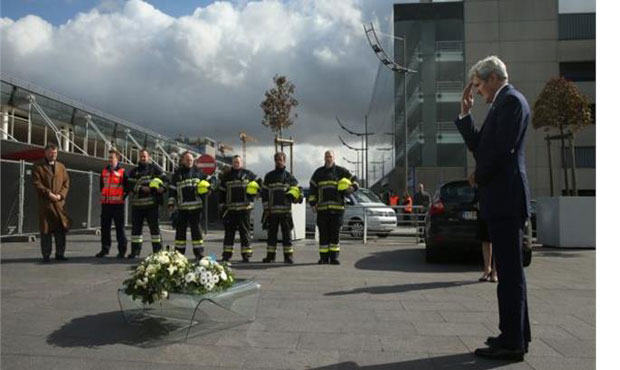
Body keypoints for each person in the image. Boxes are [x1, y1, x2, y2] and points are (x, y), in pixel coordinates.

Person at [455, 55, 531, 361]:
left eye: (478, 86)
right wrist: (465, 115)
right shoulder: (503, 103)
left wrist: (478, 176)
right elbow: (481, 145)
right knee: (511, 273)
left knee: (510, 275)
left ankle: (512, 342)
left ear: (492, 79)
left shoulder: (510, 101)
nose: (478, 93)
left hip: (505, 198)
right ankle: (515, 335)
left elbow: (500, 151)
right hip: (502, 197)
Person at [308, 150, 358, 265]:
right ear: (324, 158)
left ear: (334, 158)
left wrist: (353, 188)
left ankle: (334, 258)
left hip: (337, 210)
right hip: (322, 210)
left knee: (335, 234)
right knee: (323, 235)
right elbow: (312, 189)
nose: (328, 158)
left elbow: (355, 179)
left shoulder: (341, 171)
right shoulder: (318, 173)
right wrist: (312, 203)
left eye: (330, 156)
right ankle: (323, 258)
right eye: (326, 156)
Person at [261, 152, 303, 264]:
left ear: (285, 161)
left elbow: (297, 192)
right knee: (271, 236)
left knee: (287, 236)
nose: (279, 161)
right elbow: (264, 194)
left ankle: (288, 257)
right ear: (275, 161)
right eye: (277, 160)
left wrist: (298, 197)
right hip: (272, 211)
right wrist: (266, 209)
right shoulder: (269, 176)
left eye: (281, 159)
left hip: (285, 212)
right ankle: (270, 256)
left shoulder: (290, 178)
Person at [126, 148, 167, 259]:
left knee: (155, 230)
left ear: (149, 157)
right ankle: (135, 252)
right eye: (141, 156)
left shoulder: (155, 169)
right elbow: (129, 185)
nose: (143, 158)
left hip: (152, 206)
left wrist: (162, 188)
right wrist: (141, 188)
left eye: (145, 156)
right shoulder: (134, 171)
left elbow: (165, 180)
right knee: (136, 231)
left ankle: (158, 252)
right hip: (137, 206)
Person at [32, 144, 70, 262]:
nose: (53, 155)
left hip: (59, 204)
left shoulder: (61, 167)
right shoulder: (38, 166)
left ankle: (60, 254)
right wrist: (49, 194)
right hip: (46, 204)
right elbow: (37, 183)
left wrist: (61, 195)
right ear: (46, 153)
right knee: (46, 230)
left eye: (55, 153)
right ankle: (46, 255)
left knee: (60, 230)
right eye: (51, 153)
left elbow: (66, 183)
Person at [168, 151, 210, 260]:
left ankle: (199, 253)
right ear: (182, 161)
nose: (189, 161)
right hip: (182, 209)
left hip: (196, 208)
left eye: (191, 160)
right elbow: (172, 190)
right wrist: (171, 203)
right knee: (180, 232)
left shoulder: (199, 172)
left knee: (196, 232)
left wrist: (211, 187)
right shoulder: (177, 174)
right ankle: (179, 254)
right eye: (187, 160)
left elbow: (211, 181)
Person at [218, 155, 260, 263]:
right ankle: (226, 255)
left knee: (245, 233)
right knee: (229, 234)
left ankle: (246, 255)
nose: (236, 163)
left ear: (241, 163)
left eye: (238, 162)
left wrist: (255, 193)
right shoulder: (226, 176)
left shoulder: (249, 174)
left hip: (244, 209)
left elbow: (259, 185)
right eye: (234, 162)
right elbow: (221, 192)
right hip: (230, 210)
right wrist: (221, 205)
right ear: (232, 163)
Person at [95, 148, 128, 258]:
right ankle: (105, 249)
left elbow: (127, 187)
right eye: (108, 157)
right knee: (105, 228)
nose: (109, 159)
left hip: (118, 204)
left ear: (117, 158)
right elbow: (102, 186)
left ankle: (122, 251)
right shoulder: (104, 171)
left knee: (120, 228)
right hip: (106, 204)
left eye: (111, 157)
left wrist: (122, 196)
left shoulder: (122, 171)